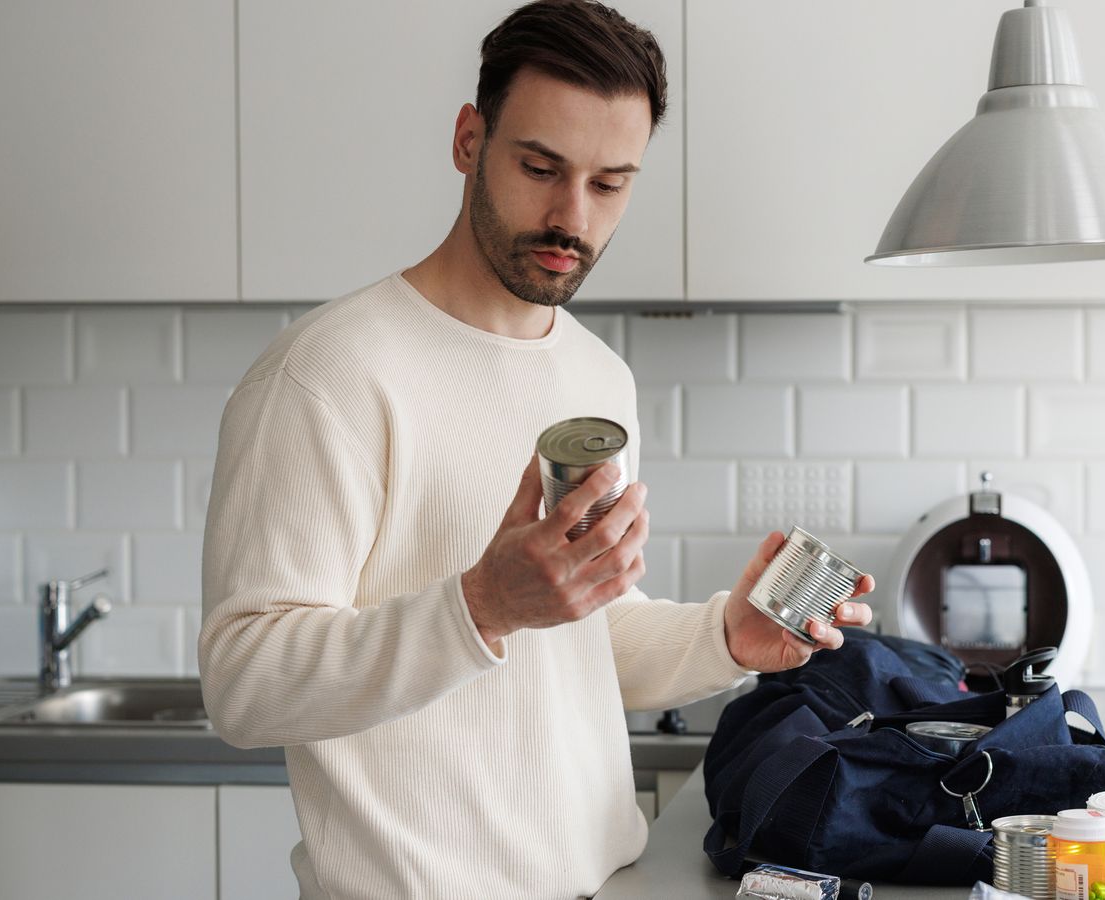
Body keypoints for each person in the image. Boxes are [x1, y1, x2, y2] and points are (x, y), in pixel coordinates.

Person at [197, 2, 874, 897]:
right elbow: (244, 686)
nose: (571, 217)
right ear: (468, 140)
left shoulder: (597, 377)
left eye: (610, 183)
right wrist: (482, 606)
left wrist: (727, 637)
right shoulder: (329, 374)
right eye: (541, 168)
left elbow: (585, 641)